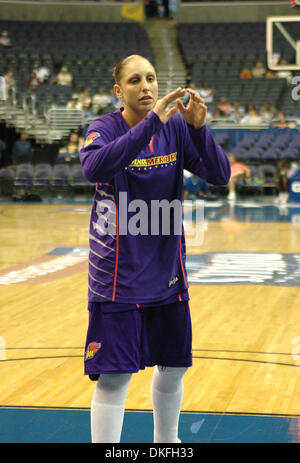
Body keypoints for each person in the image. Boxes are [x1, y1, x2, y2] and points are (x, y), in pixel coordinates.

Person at [79, 54, 230, 444]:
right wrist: (151, 125)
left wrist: (198, 130)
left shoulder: (176, 128)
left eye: (150, 78)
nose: (145, 86)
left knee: (175, 364)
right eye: (134, 80)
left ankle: (167, 442)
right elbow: (94, 168)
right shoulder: (103, 128)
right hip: (118, 274)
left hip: (167, 269)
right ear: (119, 91)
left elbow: (219, 175)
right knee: (115, 375)